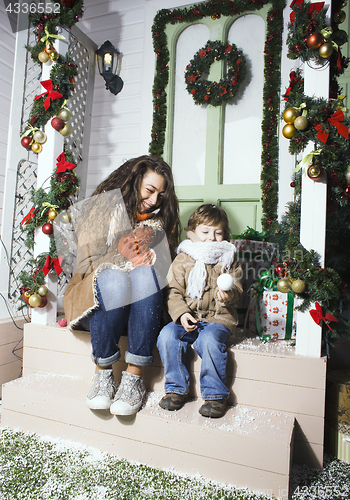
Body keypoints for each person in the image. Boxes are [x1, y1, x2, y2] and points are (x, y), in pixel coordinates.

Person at [64, 155, 180, 416]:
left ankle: (133, 378)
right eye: (149, 190)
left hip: (141, 312)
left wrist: (149, 258)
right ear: (133, 181)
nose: (154, 200)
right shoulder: (103, 209)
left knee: (145, 275)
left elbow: (165, 277)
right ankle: (102, 373)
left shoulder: (158, 225)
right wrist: (122, 256)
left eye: (161, 195)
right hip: (98, 304)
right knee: (114, 278)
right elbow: (87, 264)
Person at [157, 204, 243, 418]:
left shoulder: (229, 259)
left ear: (225, 234)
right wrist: (182, 313)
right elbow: (173, 291)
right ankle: (176, 389)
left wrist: (229, 294)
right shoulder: (183, 258)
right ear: (193, 233)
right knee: (167, 335)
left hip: (218, 319)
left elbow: (238, 287)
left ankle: (215, 395)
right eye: (205, 232)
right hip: (189, 318)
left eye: (218, 232)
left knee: (209, 341)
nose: (211, 238)